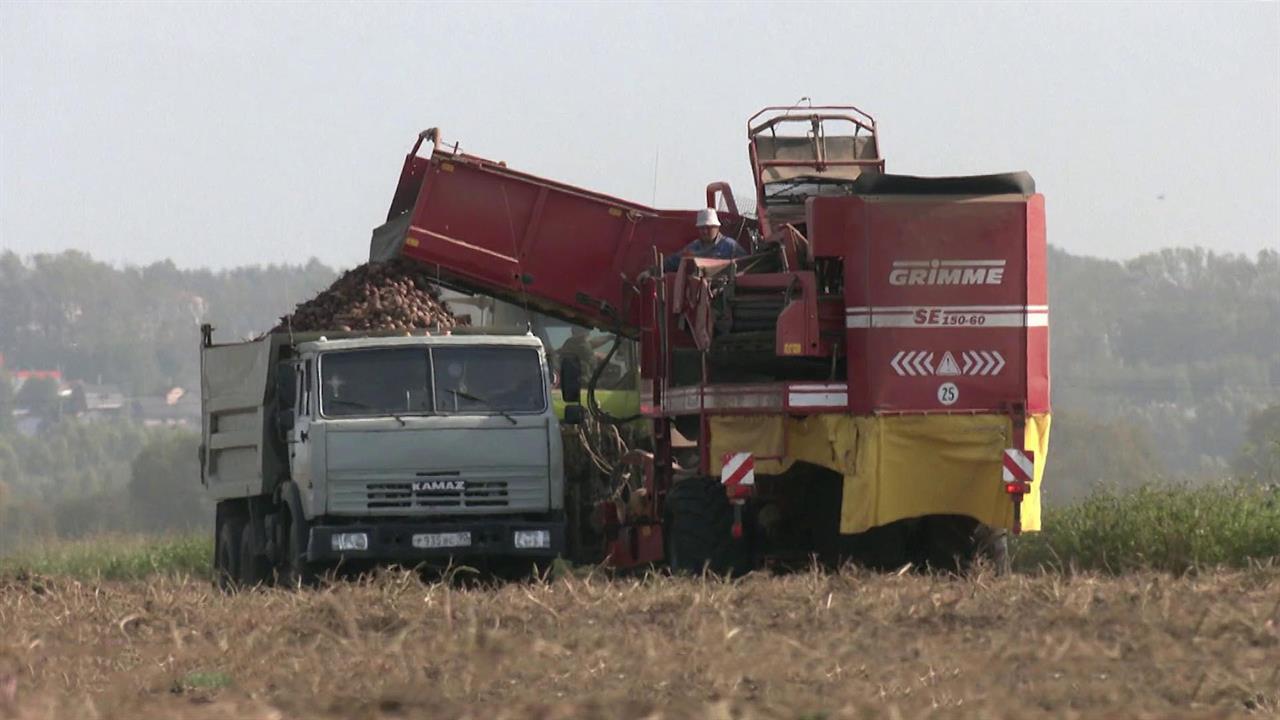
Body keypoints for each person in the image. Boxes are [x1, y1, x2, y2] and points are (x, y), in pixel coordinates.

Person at [661, 208, 746, 273]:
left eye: (708, 228)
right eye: (702, 228)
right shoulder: (693, 247)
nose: (705, 231)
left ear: (717, 227)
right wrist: (656, 269)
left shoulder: (730, 246)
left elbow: (746, 264)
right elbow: (673, 262)